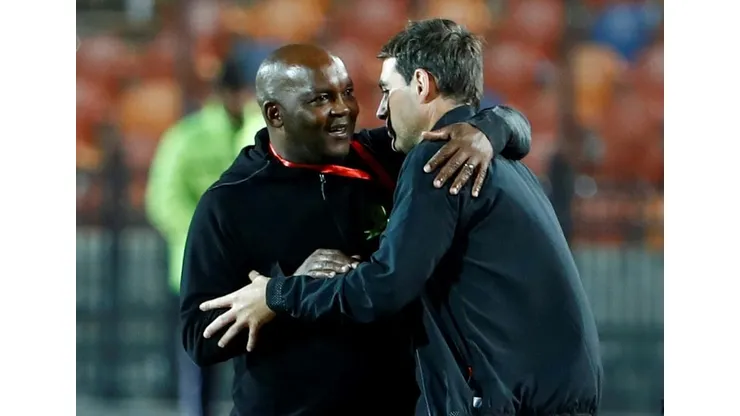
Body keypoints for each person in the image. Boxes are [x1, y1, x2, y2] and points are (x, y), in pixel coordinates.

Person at [204, 20, 603, 416]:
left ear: (422, 85)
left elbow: (385, 286)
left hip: (513, 402)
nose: (377, 110)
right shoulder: (497, 155)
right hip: (559, 394)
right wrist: (497, 124)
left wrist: (279, 294)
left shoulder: (437, 157)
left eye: (385, 91)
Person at [145, 57, 264, 416]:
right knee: (200, 364)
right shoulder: (186, 138)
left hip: (247, 272)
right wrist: (209, 240)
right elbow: (164, 200)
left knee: (255, 366)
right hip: (200, 271)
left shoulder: (257, 131)